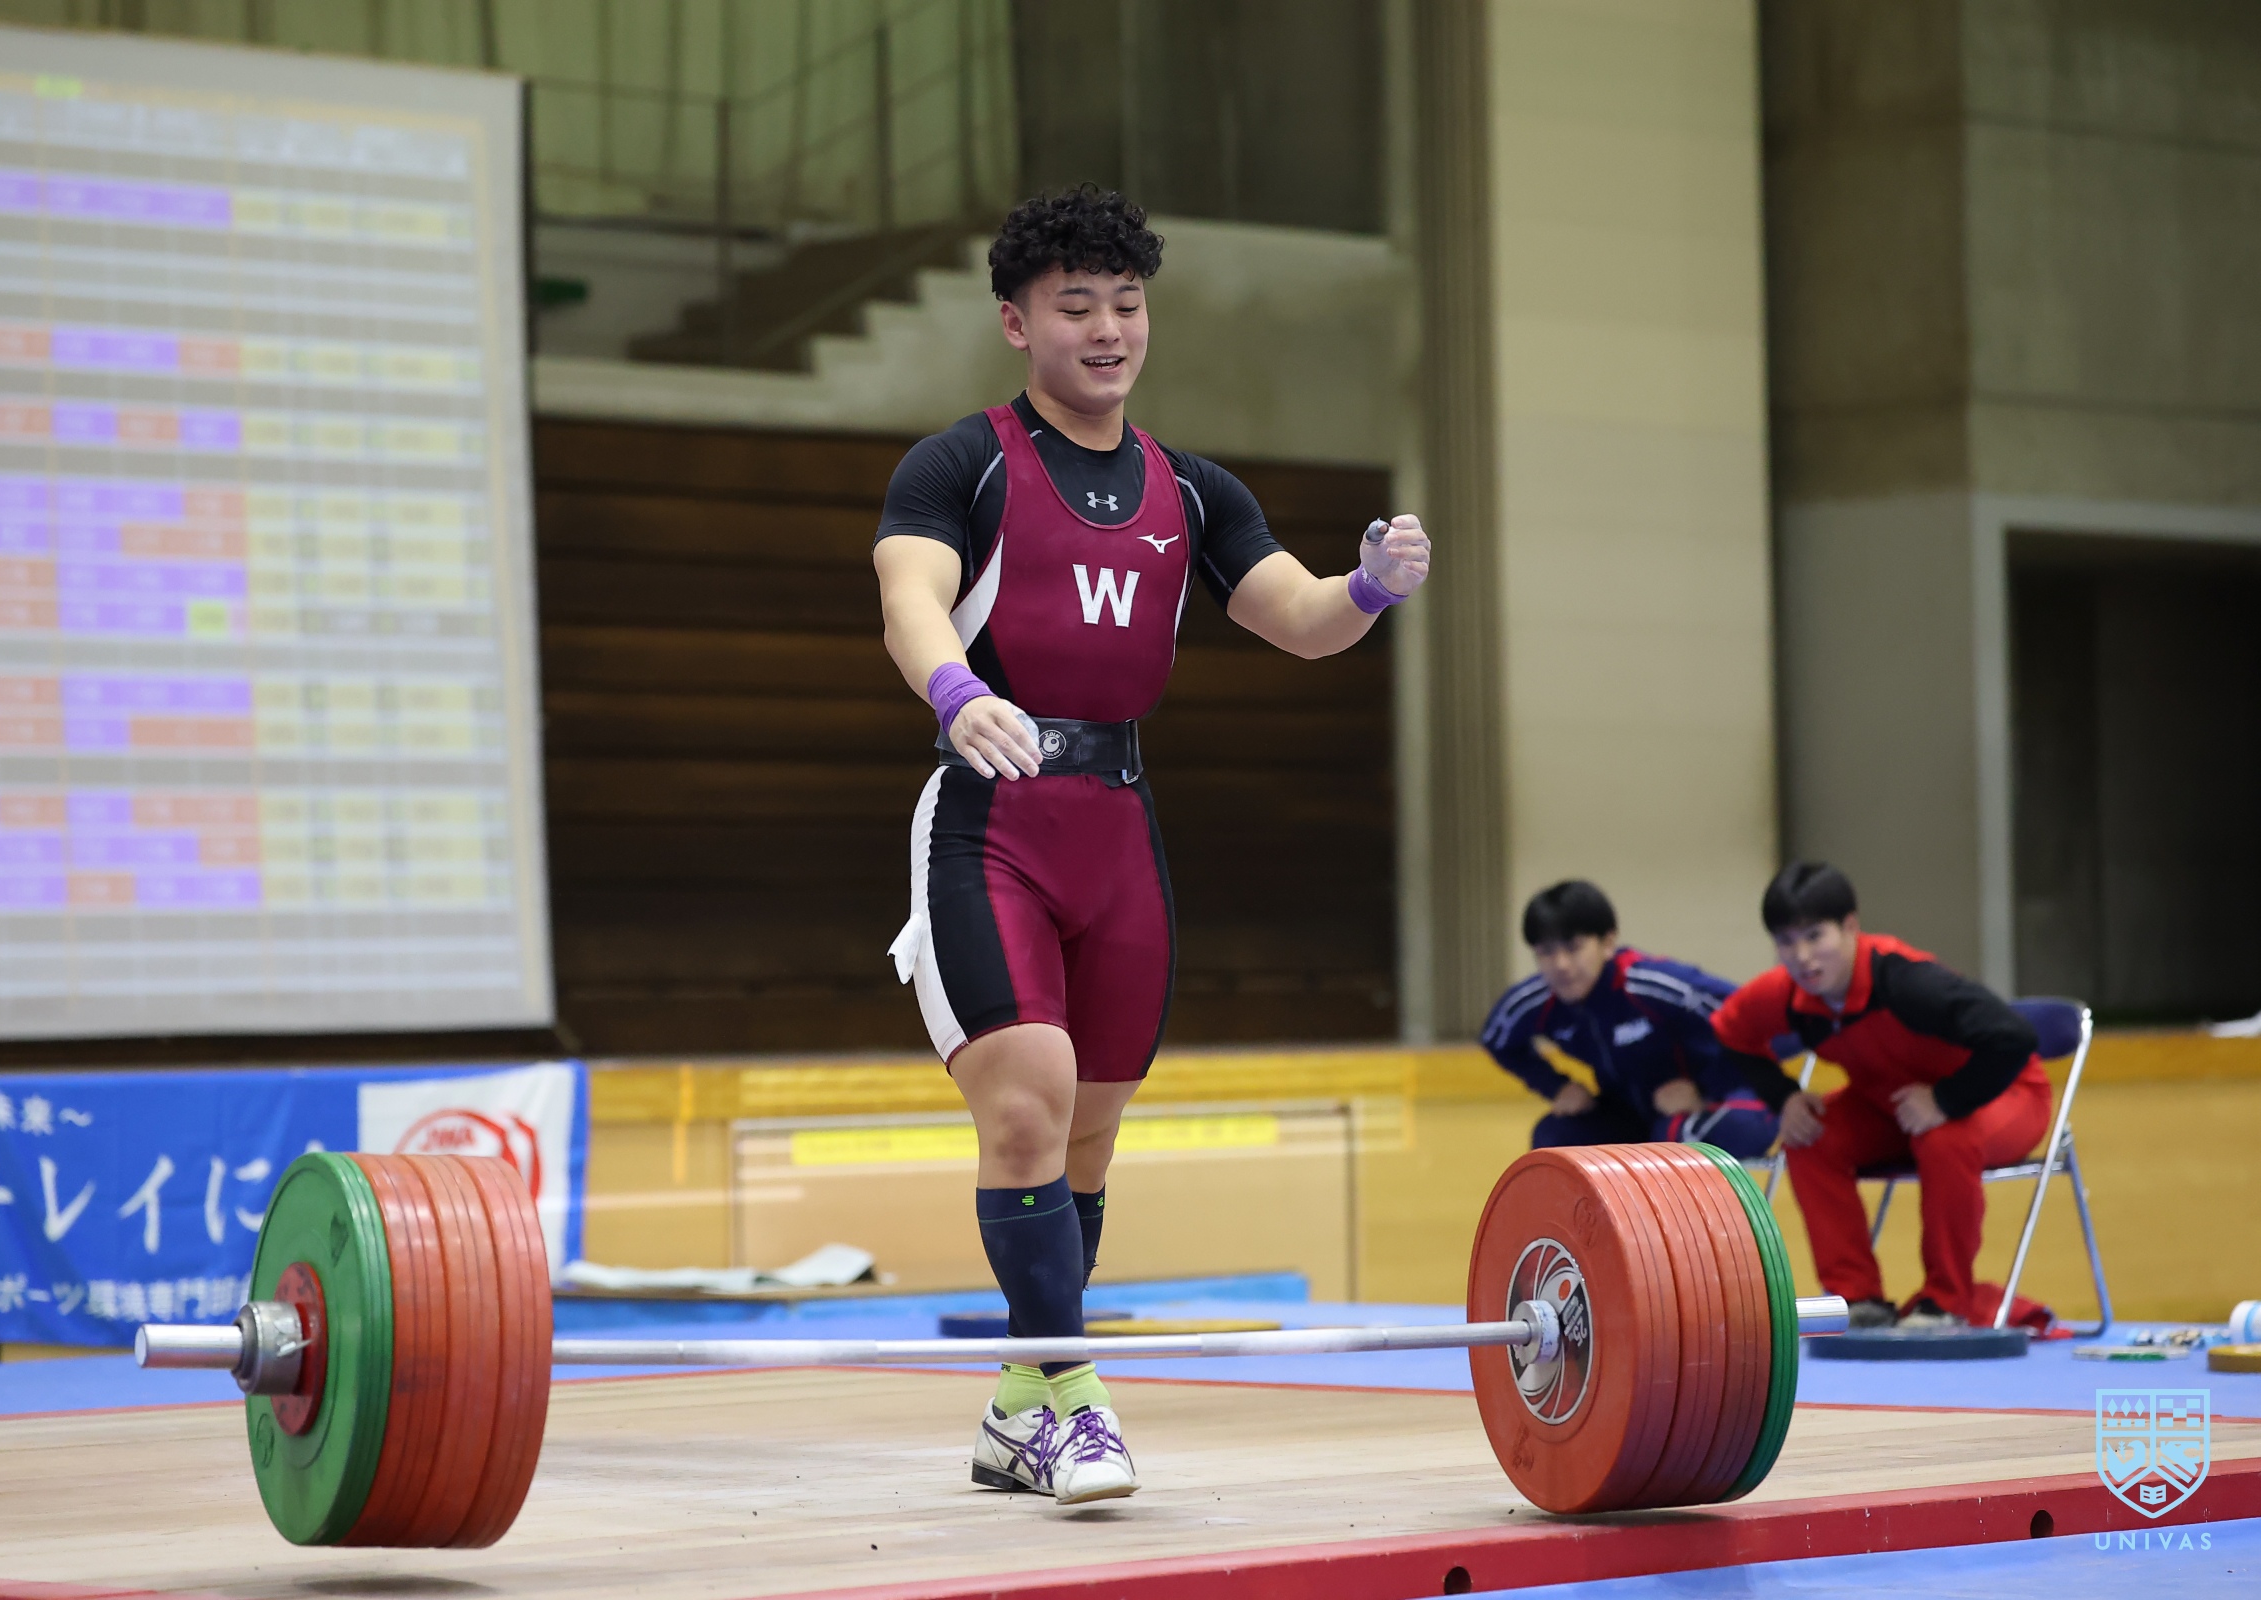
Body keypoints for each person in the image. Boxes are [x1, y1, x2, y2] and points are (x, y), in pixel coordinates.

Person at [872, 187, 1430, 1504]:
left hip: (1120, 831)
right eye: (1076, 306)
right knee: (1027, 1102)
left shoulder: (1193, 489)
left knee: (1086, 1142)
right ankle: (1075, 1405)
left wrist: (1370, 587)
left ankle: (1017, 1406)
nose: (1108, 328)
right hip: (992, 818)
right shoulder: (959, 465)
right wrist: (957, 693)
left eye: (1126, 304)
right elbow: (911, 597)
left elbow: (1299, 617)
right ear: (1018, 323)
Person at [1709, 862, 2052, 1330]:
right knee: (1809, 1137)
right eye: (1786, 942)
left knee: (1945, 1138)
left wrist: (1946, 1100)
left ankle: (1945, 1302)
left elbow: (2013, 1037)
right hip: (1895, 1107)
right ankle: (1857, 1298)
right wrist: (1784, 1097)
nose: (1802, 956)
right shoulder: (1787, 994)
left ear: (1851, 927)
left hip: (2002, 1095)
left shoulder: (1909, 983)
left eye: (1815, 936)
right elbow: (1729, 1031)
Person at [1480, 880, 1778, 1158]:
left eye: (1574, 948)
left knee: (1677, 1139)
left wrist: (1703, 1088)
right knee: (1554, 1140)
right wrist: (1555, 1086)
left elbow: (1765, 1022)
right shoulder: (1539, 999)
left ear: (1607, 942)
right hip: (1632, 1114)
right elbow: (1497, 1040)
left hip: (1721, 1098)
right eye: (1546, 952)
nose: (1561, 965)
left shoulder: (1655, 985)